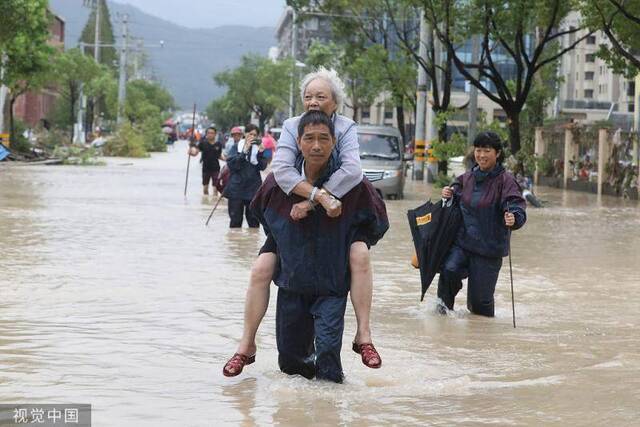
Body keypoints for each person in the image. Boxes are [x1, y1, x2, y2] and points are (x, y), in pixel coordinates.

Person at [223, 67, 382, 378]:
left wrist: (318, 200)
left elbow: (352, 171)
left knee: (359, 256)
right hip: (292, 210)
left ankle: (364, 335)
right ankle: (246, 345)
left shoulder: (347, 128)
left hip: (340, 210)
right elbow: (281, 170)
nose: (313, 102)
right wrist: (315, 198)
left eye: (321, 97)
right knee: (260, 268)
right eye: (308, 96)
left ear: (335, 104)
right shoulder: (292, 124)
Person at [251, 111, 388, 382]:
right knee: (291, 364)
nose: (316, 146)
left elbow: (378, 222)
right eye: (309, 138)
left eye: (323, 139)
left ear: (334, 141)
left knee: (327, 359)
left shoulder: (354, 184)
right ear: (298, 142)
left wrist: (353, 242)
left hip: (331, 287)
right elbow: (261, 216)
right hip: (292, 285)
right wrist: (284, 245)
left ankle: (330, 412)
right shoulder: (278, 182)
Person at [439, 131, 527, 317]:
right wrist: (449, 192)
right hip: (463, 244)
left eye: (487, 150)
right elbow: (456, 188)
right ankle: (441, 318)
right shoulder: (468, 177)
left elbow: (515, 205)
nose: (481, 155)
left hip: (489, 250)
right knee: (449, 270)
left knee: (480, 307)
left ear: (498, 153)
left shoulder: (506, 181)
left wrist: (514, 218)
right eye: (478, 150)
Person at [224, 124, 268, 228]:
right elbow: (233, 165)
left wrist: (261, 153)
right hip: (236, 189)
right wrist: (244, 151)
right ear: (245, 134)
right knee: (235, 222)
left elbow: (262, 167)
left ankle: (252, 245)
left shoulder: (259, 148)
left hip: (253, 189)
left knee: (254, 223)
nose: (252, 136)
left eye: (255, 135)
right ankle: (234, 244)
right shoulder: (237, 146)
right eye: (250, 134)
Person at [189, 126, 223, 196]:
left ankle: (213, 204)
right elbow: (195, 153)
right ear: (206, 134)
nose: (210, 134)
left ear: (215, 134)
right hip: (206, 169)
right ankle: (206, 203)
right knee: (205, 189)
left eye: (212, 133)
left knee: (215, 189)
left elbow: (219, 156)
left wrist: (228, 160)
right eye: (209, 133)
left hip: (216, 168)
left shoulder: (218, 144)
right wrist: (190, 152)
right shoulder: (202, 143)